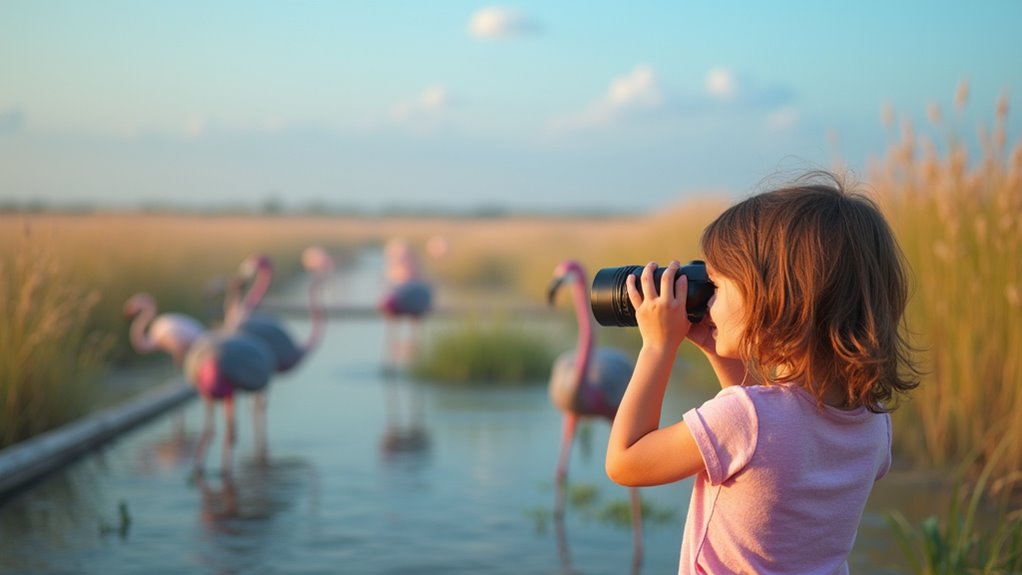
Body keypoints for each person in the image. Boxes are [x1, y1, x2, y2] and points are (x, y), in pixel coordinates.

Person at [605, 171, 919, 573]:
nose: (708, 300)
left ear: (772, 298)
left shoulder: (744, 418)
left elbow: (626, 461)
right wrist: (720, 352)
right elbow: (774, 444)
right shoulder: (875, 423)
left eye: (716, 286)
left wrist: (657, 346)